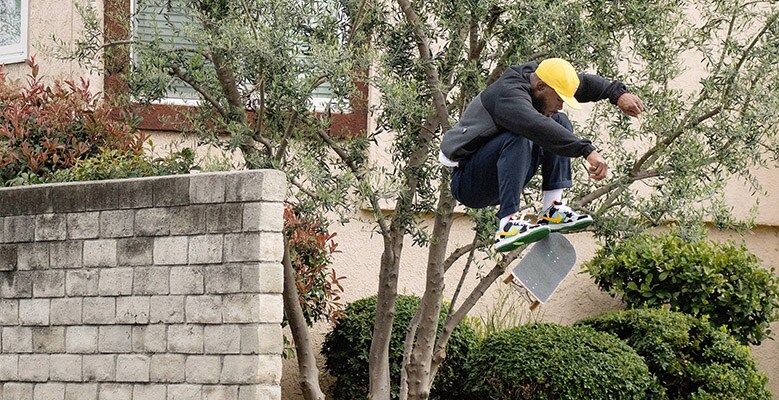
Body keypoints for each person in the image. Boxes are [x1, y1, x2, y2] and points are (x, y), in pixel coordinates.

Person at [439, 58, 644, 252]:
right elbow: (536, 126)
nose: (560, 105)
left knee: (560, 121)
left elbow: (585, 84)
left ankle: (552, 210)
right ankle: (508, 223)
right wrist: (586, 150)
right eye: (558, 99)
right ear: (540, 87)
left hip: (502, 172)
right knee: (522, 133)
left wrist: (617, 94)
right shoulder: (508, 95)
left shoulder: (544, 76)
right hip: (470, 183)